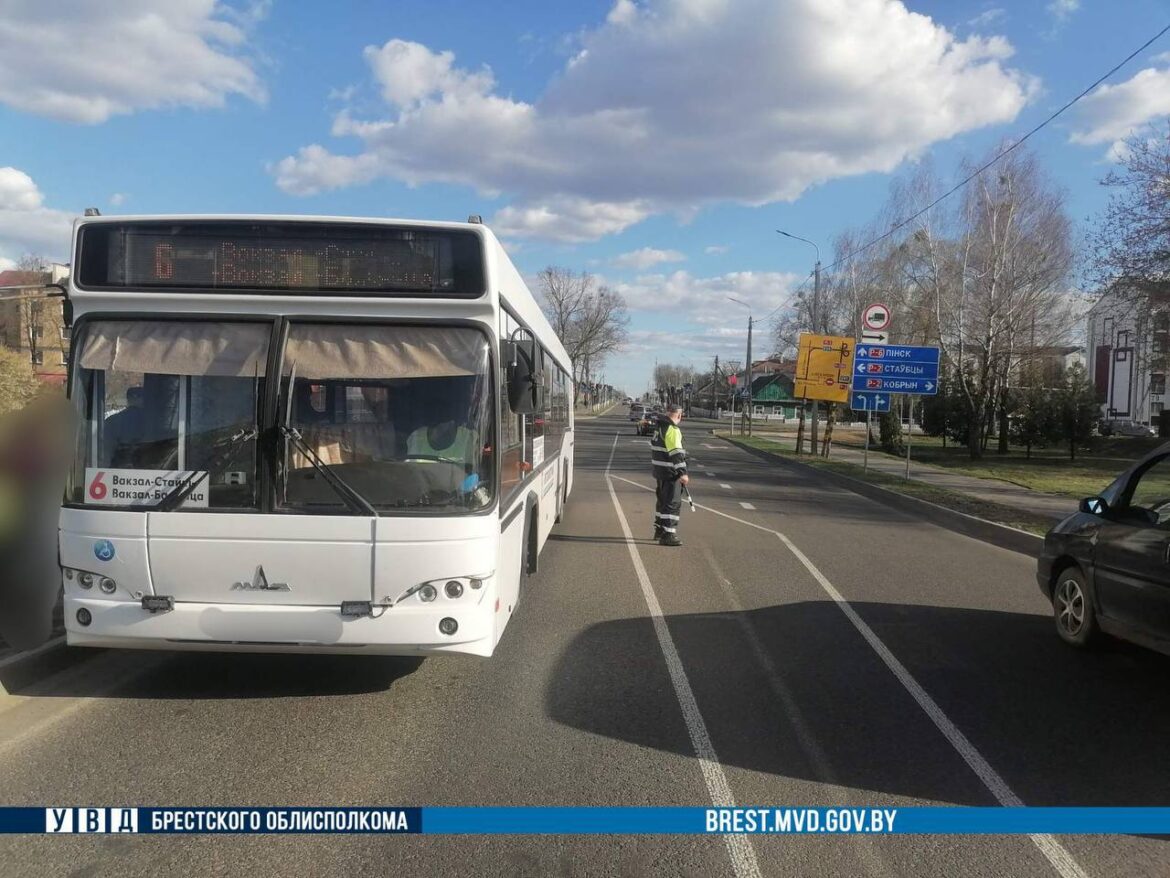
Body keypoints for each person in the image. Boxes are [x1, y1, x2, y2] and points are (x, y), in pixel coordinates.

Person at [650, 403, 688, 547]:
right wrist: (682, 473)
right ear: (679, 415)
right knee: (672, 503)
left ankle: (659, 529)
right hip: (671, 472)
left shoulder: (659, 427)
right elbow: (676, 453)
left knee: (662, 502)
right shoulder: (672, 429)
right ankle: (668, 534)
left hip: (659, 471)